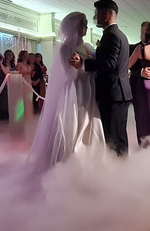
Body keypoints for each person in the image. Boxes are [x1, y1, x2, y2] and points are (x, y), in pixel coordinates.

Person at [29, 12, 105, 169]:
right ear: (75, 27)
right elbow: (70, 73)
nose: (86, 28)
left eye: (86, 24)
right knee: (76, 120)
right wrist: (81, 67)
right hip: (76, 88)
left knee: (90, 119)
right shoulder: (65, 48)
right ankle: (71, 159)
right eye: (83, 25)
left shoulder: (88, 46)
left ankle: (92, 157)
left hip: (90, 86)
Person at [69, 0, 132, 156]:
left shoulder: (111, 35)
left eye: (97, 13)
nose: (95, 17)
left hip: (113, 92)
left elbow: (110, 64)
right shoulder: (117, 34)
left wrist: (83, 63)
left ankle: (117, 165)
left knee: (112, 136)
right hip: (118, 92)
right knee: (119, 135)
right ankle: (122, 164)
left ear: (107, 14)